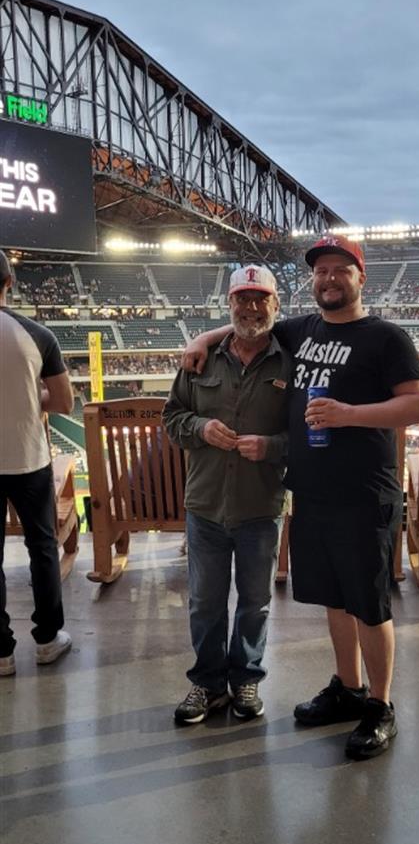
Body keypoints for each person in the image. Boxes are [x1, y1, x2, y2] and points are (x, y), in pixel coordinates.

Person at [181, 235, 419, 759]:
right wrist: (202, 339)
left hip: (365, 494)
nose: (329, 279)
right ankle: (347, 686)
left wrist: (349, 415)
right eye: (321, 272)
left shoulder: (386, 337)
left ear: (360, 278)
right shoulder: (303, 330)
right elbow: (249, 323)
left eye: (341, 270)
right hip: (312, 493)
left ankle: (381, 706)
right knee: (335, 600)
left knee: (369, 605)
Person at [163, 264, 291, 725]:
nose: (251, 307)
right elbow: (172, 418)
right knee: (204, 602)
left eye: (260, 299)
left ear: (275, 305)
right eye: (242, 298)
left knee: (254, 602)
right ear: (230, 304)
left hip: (261, 505)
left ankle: (246, 678)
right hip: (205, 504)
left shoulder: (290, 361)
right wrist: (200, 427)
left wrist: (272, 446)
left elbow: (307, 431)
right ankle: (208, 683)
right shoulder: (200, 360)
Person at [0, 250, 74, 676]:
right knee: (42, 548)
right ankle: (47, 639)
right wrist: (31, 400)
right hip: (28, 458)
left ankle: (1, 652)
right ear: (9, 282)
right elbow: (62, 401)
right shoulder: (36, 334)